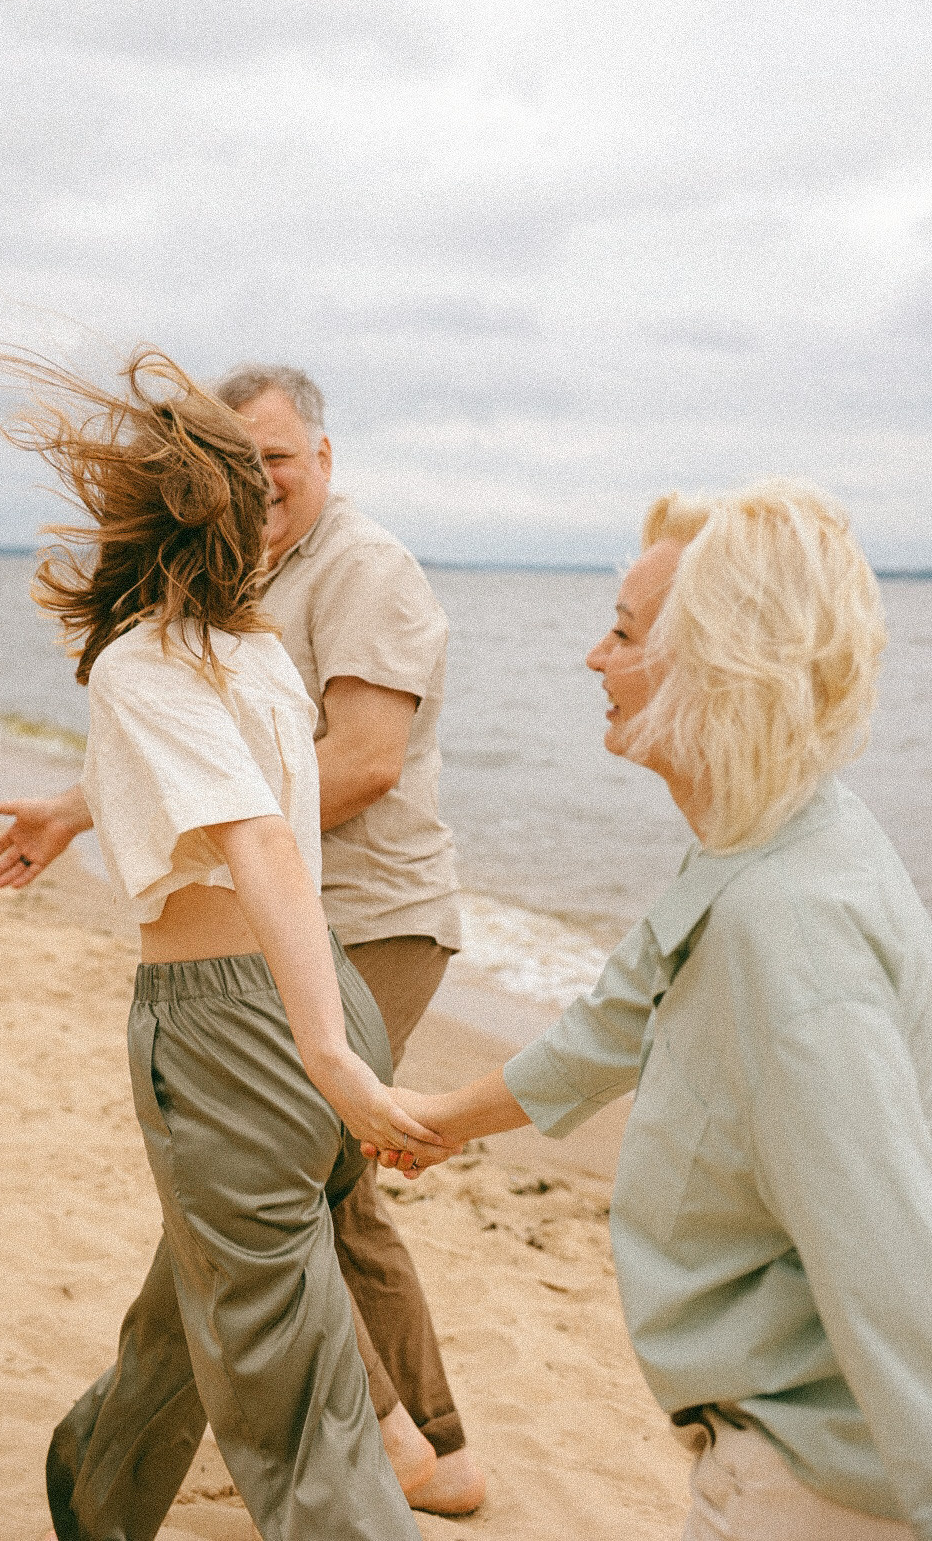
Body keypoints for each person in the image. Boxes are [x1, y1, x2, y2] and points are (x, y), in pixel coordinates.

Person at [373, 482, 932, 1539]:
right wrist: (438, 1123)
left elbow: (892, 1267)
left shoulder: (790, 925)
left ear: (717, 662)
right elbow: (617, 1017)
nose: (594, 658)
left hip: (818, 1486)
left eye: (623, 633)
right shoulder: (767, 836)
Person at [0, 365, 485, 1524]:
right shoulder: (249, 649)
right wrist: (79, 804)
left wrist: (325, 1052)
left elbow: (258, 836)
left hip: (224, 1017)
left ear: (131, 522)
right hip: (316, 977)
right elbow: (215, 796)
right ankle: (95, 1485)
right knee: (192, 1301)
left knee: (288, 1385)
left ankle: (399, 1474)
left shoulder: (143, 662)